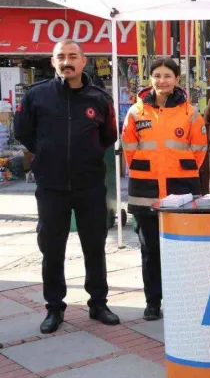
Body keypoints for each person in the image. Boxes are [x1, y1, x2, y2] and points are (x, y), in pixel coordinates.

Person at [14, 40, 120, 333]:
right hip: (51, 187)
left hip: (90, 187)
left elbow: (108, 135)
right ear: (53, 61)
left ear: (84, 61)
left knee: (95, 247)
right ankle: (54, 308)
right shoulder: (37, 96)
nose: (67, 61)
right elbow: (22, 131)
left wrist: (87, 154)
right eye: (61, 56)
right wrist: (47, 152)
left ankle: (98, 303)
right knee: (52, 249)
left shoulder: (99, 99)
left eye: (73, 56)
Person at [122, 58, 207, 320]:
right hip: (145, 192)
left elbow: (200, 150)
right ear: (150, 80)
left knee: (183, 250)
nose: (162, 80)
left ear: (177, 80)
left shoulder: (190, 113)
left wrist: (179, 170)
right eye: (157, 75)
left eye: (167, 76)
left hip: (180, 192)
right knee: (149, 252)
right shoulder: (136, 113)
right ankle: (152, 302)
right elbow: (128, 149)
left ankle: (182, 300)